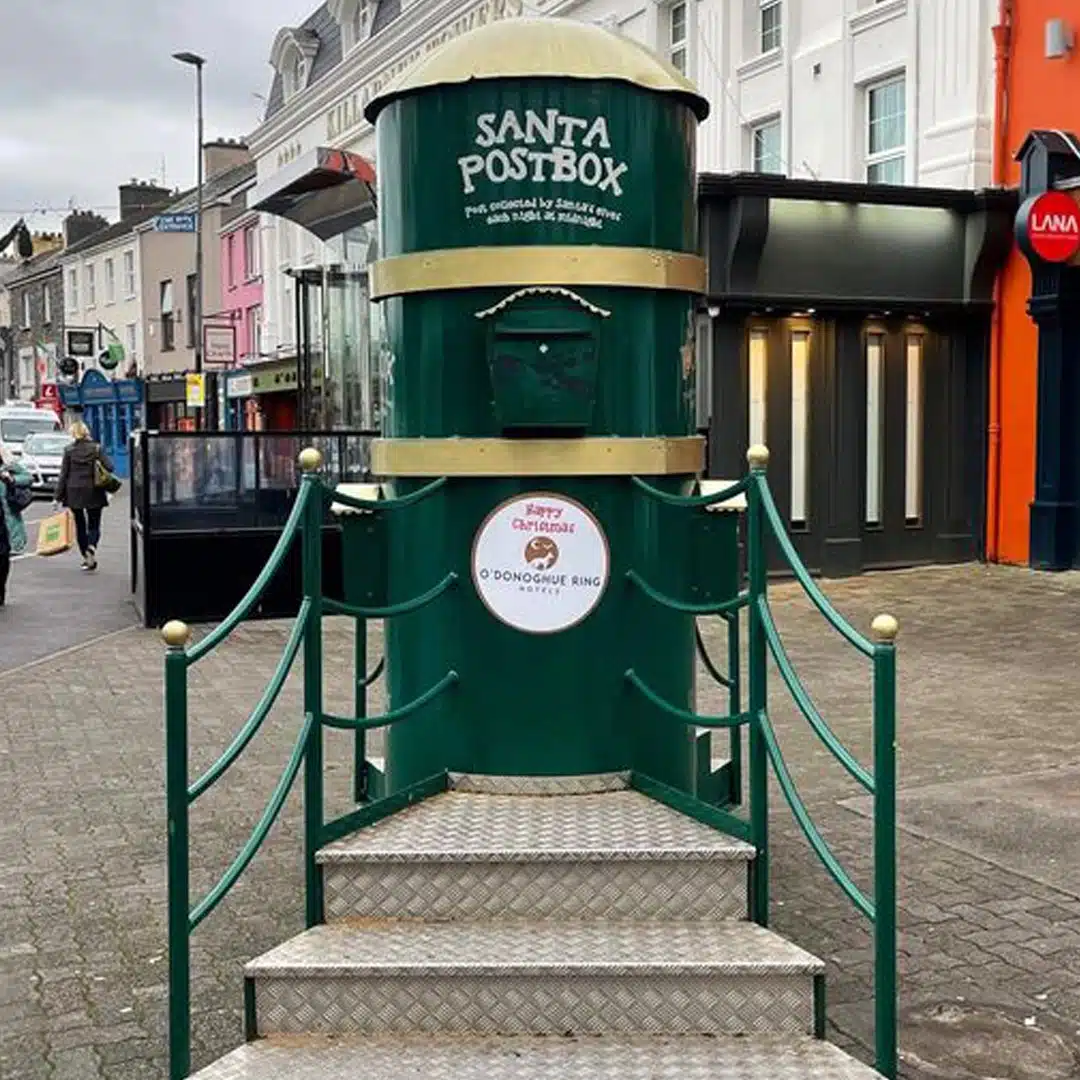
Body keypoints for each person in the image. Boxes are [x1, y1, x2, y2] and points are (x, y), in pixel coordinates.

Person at [54, 420, 113, 572]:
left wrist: (57, 497)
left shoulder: (69, 450)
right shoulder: (97, 448)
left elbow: (63, 475)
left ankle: (86, 557)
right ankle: (92, 547)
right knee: (94, 523)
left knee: (80, 525)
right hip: (94, 490)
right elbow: (110, 467)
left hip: (73, 492)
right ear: (86, 432)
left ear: (73, 433)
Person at [0, 459, 32, 606]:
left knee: (3, 557)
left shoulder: (7, 467)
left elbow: (27, 477)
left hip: (6, 521)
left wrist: (11, 479)